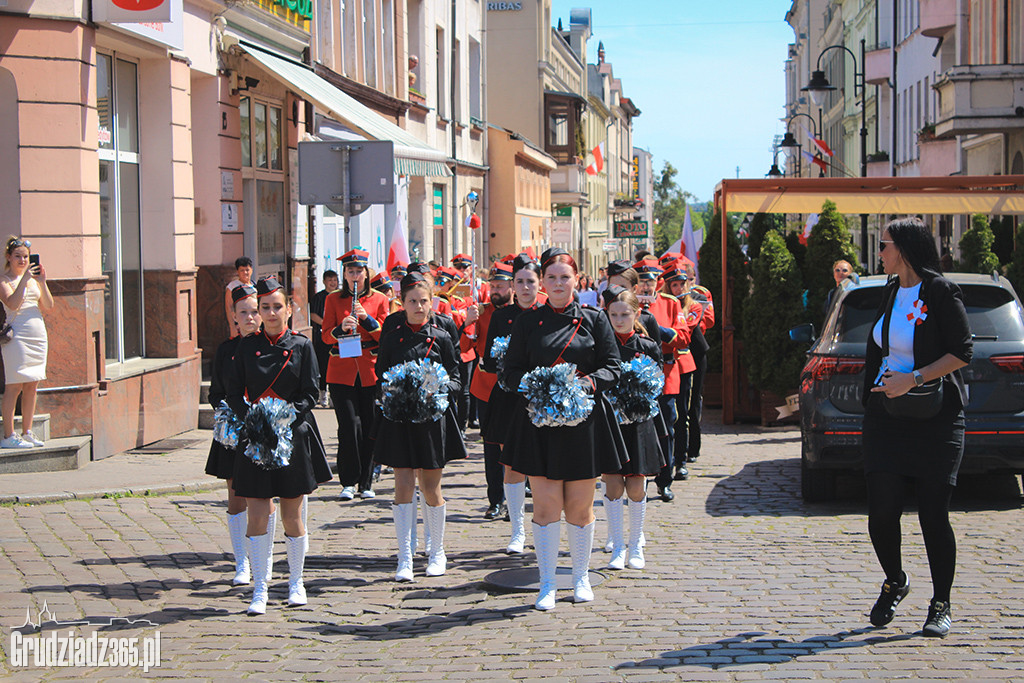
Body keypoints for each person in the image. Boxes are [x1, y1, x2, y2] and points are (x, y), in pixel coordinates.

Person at [862, 217, 972, 638]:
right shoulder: (890, 291)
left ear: (904, 248)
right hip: (887, 418)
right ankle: (896, 580)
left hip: (937, 418)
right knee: (881, 513)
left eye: (885, 244)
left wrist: (915, 377)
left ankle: (941, 604)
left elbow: (963, 351)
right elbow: (883, 347)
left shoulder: (941, 292)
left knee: (932, 515)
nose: (880, 252)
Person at [500, 248, 627, 610]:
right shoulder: (527, 323)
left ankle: (581, 577)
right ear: (542, 281)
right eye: (551, 277)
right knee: (545, 506)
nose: (558, 284)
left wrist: (584, 385)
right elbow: (508, 373)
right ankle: (546, 584)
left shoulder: (594, 319)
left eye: (565, 277)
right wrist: (539, 384)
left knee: (579, 506)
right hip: (538, 425)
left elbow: (613, 367)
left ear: (576, 280)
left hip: (583, 424)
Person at [227, 276, 332, 615]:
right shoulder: (245, 347)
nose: (270, 314)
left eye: (277, 307)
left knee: (291, 515)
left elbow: (310, 393)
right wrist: (254, 419)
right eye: (265, 308)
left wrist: (284, 416)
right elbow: (233, 393)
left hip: (292, 436)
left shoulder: (301, 345)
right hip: (256, 437)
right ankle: (260, 589)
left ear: (289, 309)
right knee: (256, 514)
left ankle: (296, 583)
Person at [374, 272, 467, 581]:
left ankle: (436, 551)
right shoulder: (391, 336)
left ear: (432, 303)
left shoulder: (440, 337)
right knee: (402, 485)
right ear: (401, 302)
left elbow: (456, 378)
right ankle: (405, 556)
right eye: (412, 301)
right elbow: (381, 375)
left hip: (431, 420)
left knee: (430, 486)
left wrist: (437, 390)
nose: (418, 306)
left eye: (424, 301)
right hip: (400, 420)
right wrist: (396, 392)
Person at [481, 254, 545, 553]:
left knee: (542, 464)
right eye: (519, 281)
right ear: (512, 286)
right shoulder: (500, 316)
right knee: (510, 462)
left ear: (539, 284)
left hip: (542, 397)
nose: (524, 287)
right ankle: (517, 530)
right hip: (508, 396)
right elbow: (490, 361)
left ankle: (544, 526)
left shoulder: (548, 312)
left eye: (530, 281)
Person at [600, 286, 666, 570]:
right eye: (613, 314)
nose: (618, 319)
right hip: (610, 422)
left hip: (639, 421)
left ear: (636, 313)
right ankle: (616, 544)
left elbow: (658, 382)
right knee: (613, 484)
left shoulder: (648, 345)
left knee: (636, 486)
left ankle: (636, 542)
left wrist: (641, 389)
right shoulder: (602, 344)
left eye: (624, 314)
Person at [321, 248, 390, 501]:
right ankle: (348, 481)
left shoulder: (380, 299)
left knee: (370, 426)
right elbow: (325, 335)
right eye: (350, 271)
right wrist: (341, 328)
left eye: (359, 271)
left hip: (369, 369)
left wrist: (367, 319)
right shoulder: (332, 300)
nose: (355, 276)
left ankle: (367, 481)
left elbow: (386, 335)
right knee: (349, 426)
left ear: (366, 273)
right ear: (344, 274)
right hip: (341, 369)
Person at [205, 284, 261, 585]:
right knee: (236, 493)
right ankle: (242, 561)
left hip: (267, 430)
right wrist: (229, 412)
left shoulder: (274, 347)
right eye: (244, 313)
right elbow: (216, 393)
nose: (250, 317)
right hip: (235, 433)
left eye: (255, 311)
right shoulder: (226, 350)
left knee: (265, 497)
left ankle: (262, 557)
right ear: (234, 317)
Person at [464, 261, 514, 520]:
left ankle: (518, 493)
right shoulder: (481, 312)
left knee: (517, 442)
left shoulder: (523, 312)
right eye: (492, 285)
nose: (495, 290)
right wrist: (468, 323)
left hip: (515, 388)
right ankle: (496, 500)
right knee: (491, 446)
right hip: (486, 386)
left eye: (500, 285)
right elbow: (463, 348)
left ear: (511, 286)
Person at [0, 237, 53, 448]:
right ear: (9, 258)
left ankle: (28, 431)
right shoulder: (4, 280)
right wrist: (23, 280)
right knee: (14, 385)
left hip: (37, 335)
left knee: (33, 384)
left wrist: (42, 282)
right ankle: (8, 435)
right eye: (18, 256)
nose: (23, 260)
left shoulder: (34, 280)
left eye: (25, 256)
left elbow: (48, 305)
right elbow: (12, 304)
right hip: (17, 336)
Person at [309, 269, 339, 408]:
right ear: (324, 282)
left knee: (338, 363)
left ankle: (334, 394)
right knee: (323, 364)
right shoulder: (319, 297)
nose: (332, 283)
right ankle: (322, 393)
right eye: (330, 280)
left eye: (334, 280)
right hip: (322, 336)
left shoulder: (341, 296)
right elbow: (313, 315)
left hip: (339, 336)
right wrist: (327, 325)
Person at [224, 257, 254, 336]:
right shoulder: (232, 287)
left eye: (247, 270)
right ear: (238, 271)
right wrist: (232, 327)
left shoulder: (255, 286)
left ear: (251, 270)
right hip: (239, 326)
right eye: (242, 270)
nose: (245, 273)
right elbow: (228, 307)